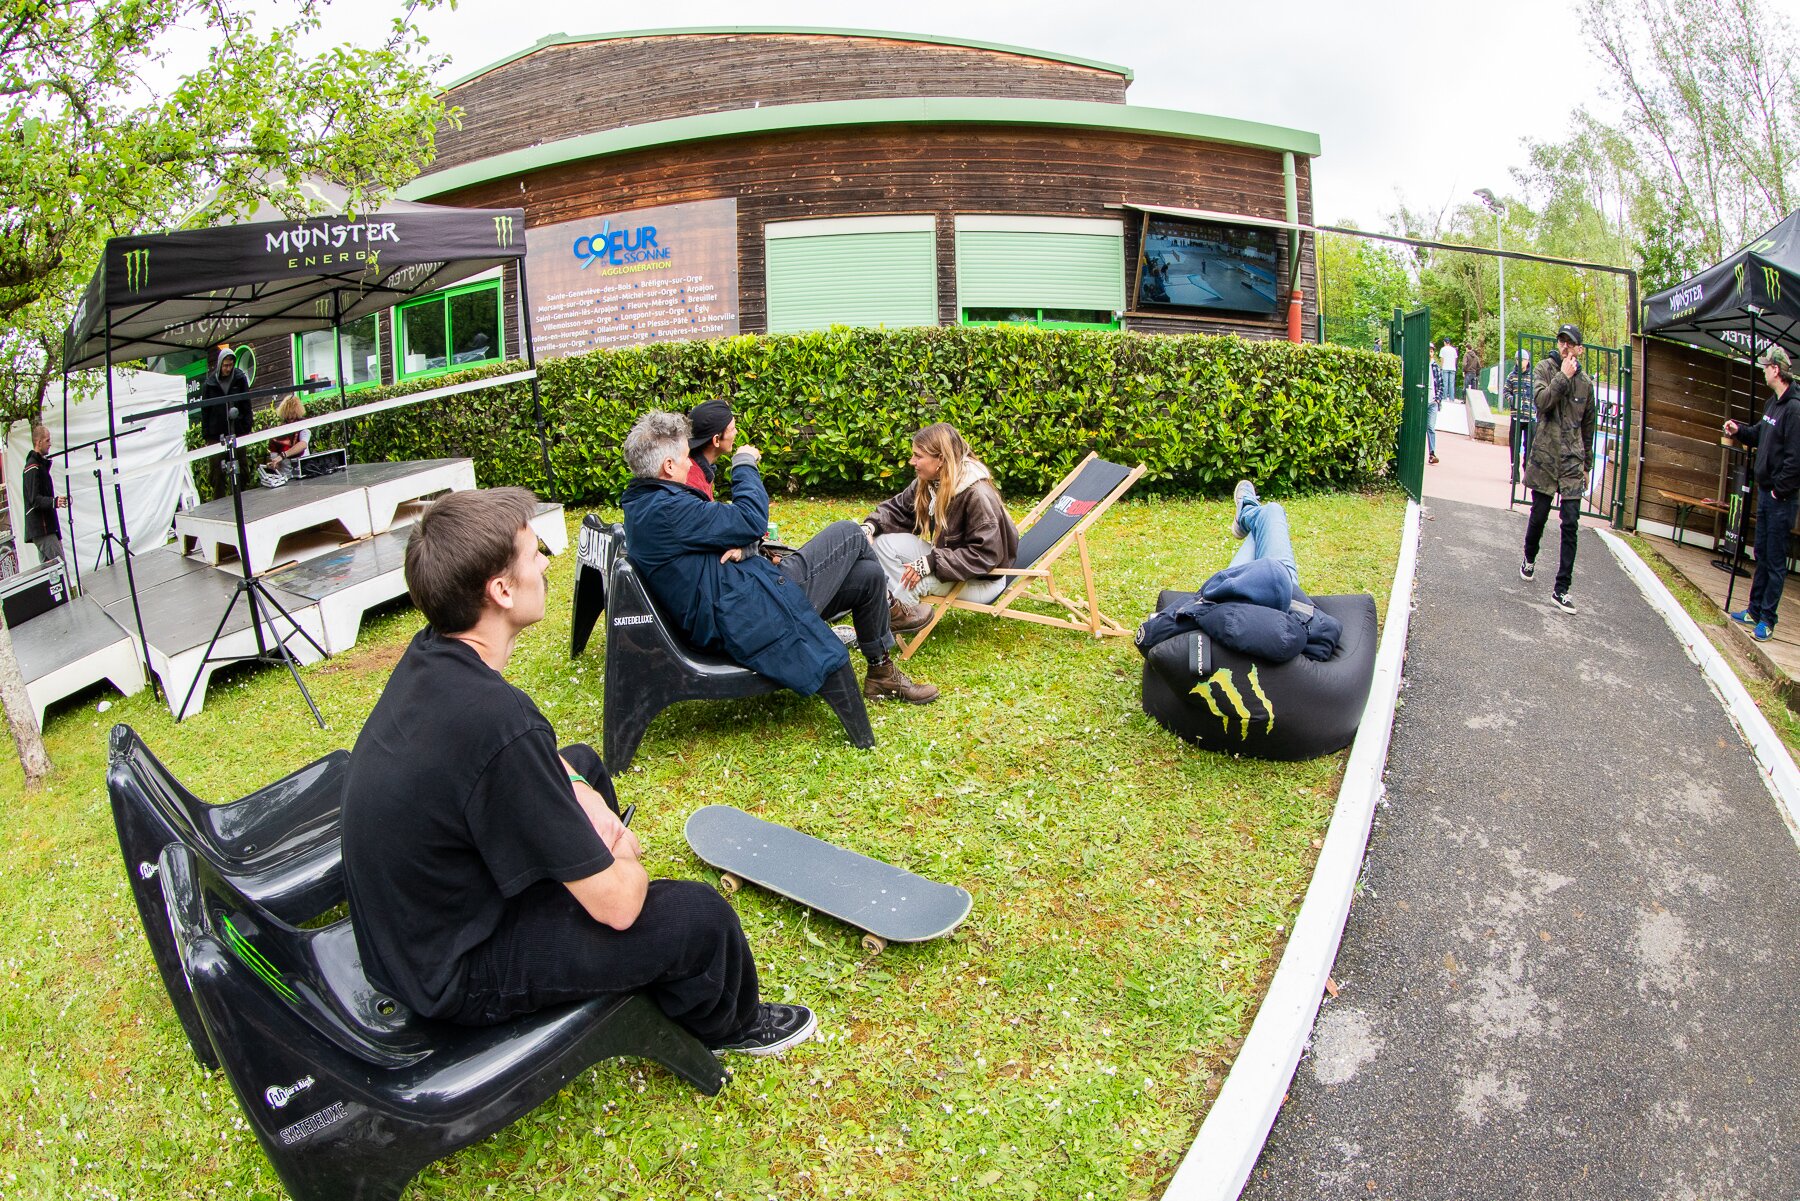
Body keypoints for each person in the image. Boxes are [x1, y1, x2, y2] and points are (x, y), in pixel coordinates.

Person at [340, 487, 815, 1055]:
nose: (546, 563)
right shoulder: (496, 719)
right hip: (452, 974)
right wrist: (620, 853)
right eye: (533, 553)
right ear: (501, 590)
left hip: (415, 933)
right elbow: (620, 906)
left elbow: (522, 759)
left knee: (584, 765)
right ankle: (729, 1027)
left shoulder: (434, 657)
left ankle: (590, 884)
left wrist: (584, 795)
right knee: (698, 918)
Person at [619, 410, 939, 704]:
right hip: (753, 613)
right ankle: (891, 608)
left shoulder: (651, 505)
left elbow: (724, 535)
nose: (690, 465)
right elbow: (750, 519)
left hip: (741, 600)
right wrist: (744, 463)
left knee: (868, 576)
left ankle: (882, 673)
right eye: (684, 457)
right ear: (668, 466)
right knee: (850, 532)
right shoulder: (668, 510)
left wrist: (746, 547)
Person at [1135, 480, 1342, 663]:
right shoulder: (1291, 629)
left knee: (1271, 515)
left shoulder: (1214, 611)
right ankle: (1248, 512)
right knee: (1271, 513)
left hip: (1243, 594)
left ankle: (1248, 512)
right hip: (1268, 593)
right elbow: (1327, 631)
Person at [860, 423, 1020, 632]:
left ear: (941, 459)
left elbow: (986, 555)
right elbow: (897, 509)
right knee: (882, 543)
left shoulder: (977, 494)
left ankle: (882, 628)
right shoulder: (930, 482)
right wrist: (870, 527)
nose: (912, 461)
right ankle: (896, 607)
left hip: (981, 580)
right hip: (948, 561)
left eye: (918, 456)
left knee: (914, 582)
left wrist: (930, 563)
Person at [1723, 345, 1800, 641]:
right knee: (1762, 554)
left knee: (1776, 560)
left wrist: (1780, 490)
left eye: (1766, 366)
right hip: (1766, 494)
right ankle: (1754, 610)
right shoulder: (1773, 404)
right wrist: (1738, 431)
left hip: (1781, 499)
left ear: (1776, 370)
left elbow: (1795, 459)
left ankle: (1768, 619)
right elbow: (1758, 433)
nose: (1763, 370)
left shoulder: (1794, 409)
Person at [1519, 323, 1596, 614]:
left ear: (1580, 349)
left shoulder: (1586, 384)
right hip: (1546, 457)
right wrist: (1563, 377)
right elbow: (1542, 403)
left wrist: (1586, 465)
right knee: (1538, 516)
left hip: (1572, 461)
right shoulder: (1544, 369)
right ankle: (1529, 557)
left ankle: (1562, 588)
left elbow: (1588, 427)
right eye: (1561, 341)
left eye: (1570, 343)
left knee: (1571, 523)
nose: (1564, 346)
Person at [199, 347, 253, 495]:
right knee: (216, 472)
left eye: (230, 365)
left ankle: (242, 497)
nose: (228, 369)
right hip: (216, 434)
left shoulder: (240, 379)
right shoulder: (209, 384)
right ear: (220, 364)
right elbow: (205, 412)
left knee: (242, 468)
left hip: (238, 431)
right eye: (225, 365)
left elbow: (246, 405)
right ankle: (219, 501)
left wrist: (246, 427)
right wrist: (207, 436)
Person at [22, 423, 67, 567]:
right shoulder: (32, 467)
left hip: (45, 528)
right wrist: (54, 501)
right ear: (38, 442)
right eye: (47, 440)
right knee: (60, 565)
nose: (50, 444)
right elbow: (34, 499)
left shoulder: (39, 466)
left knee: (50, 570)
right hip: (42, 529)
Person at [684, 397, 735, 500]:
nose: (736, 432)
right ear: (716, 440)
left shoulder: (699, 468)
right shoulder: (692, 481)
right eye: (733, 429)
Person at [260, 395, 310, 487]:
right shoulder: (278, 433)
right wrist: (274, 464)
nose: (290, 417)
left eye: (293, 414)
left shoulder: (303, 427)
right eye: (288, 414)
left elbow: (303, 444)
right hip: (286, 478)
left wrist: (283, 455)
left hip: (303, 474)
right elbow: (275, 459)